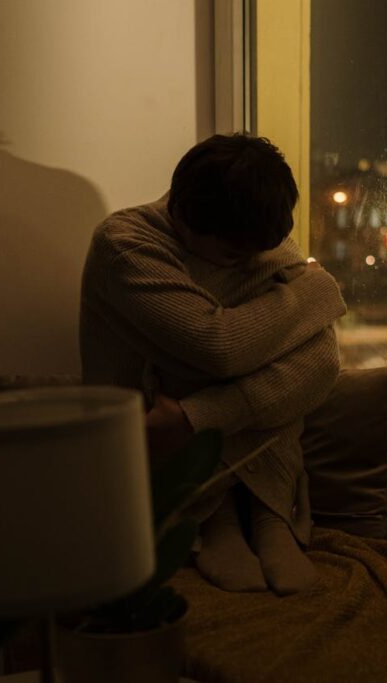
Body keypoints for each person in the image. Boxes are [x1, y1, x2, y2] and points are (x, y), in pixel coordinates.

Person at [80, 133, 345, 595]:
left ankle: (267, 514)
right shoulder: (124, 244)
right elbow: (218, 347)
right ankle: (217, 515)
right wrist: (318, 290)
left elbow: (323, 360)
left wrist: (196, 418)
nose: (249, 262)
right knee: (195, 345)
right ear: (182, 215)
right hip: (152, 449)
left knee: (276, 338)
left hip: (182, 426)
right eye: (233, 255)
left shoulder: (250, 227)